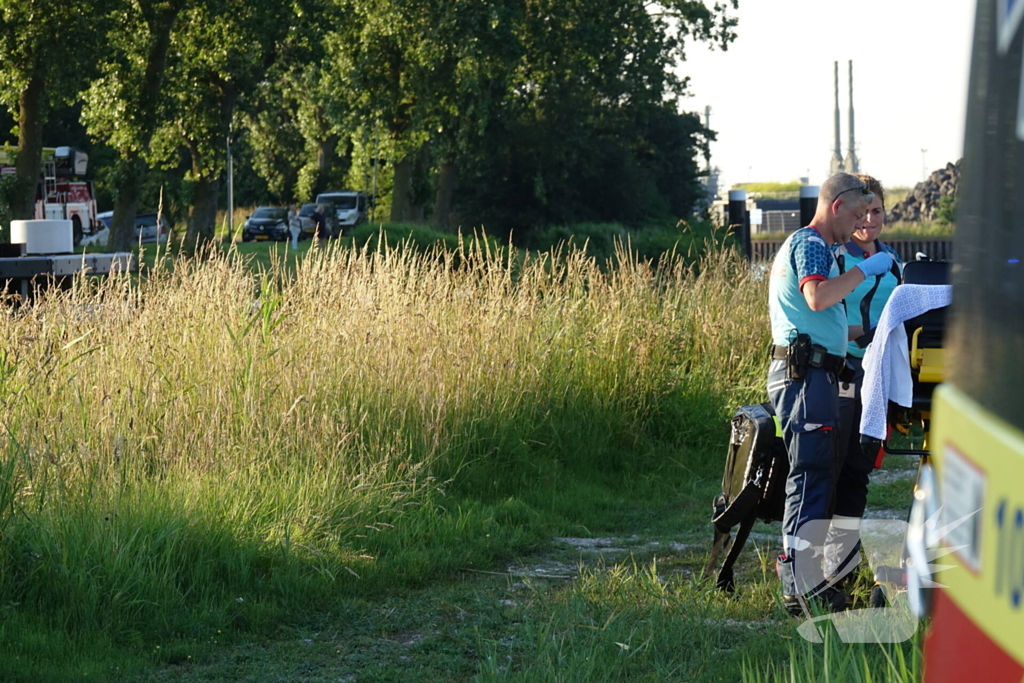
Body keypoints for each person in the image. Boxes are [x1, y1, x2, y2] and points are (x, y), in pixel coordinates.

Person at [766, 172, 894, 615]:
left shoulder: (821, 249)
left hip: (816, 371)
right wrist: (865, 270)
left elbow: (831, 322)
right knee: (812, 473)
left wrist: (880, 331)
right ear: (837, 206)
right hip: (806, 375)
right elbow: (818, 298)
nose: (859, 224)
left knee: (820, 472)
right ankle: (800, 584)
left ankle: (815, 577)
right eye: (857, 215)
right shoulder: (811, 244)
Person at [824, 174, 903, 581]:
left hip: (878, 379)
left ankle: (844, 566)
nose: (868, 220)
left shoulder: (896, 264)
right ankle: (824, 568)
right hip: (841, 372)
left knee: (858, 470)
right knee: (831, 469)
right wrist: (864, 334)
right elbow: (822, 312)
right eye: (862, 212)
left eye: (876, 212)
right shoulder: (837, 259)